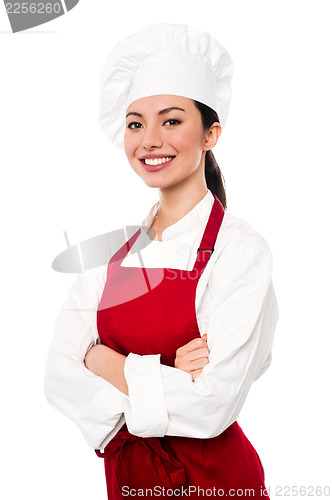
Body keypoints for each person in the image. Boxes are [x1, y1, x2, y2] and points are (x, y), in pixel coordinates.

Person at [44, 22, 279, 499]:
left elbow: (212, 406)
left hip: (219, 485)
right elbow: (57, 378)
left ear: (211, 134)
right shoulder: (108, 254)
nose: (149, 139)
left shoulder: (240, 250)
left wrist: (100, 359)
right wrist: (171, 372)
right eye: (136, 123)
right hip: (129, 481)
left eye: (171, 120)